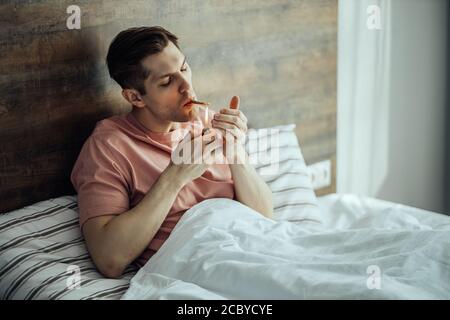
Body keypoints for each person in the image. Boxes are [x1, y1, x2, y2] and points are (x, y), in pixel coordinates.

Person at [71, 26, 273, 278]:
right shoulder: (108, 147)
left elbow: (265, 217)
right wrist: (175, 176)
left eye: (184, 68)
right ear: (135, 97)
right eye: (167, 81)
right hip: (203, 265)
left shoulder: (207, 122)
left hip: (258, 247)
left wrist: (235, 151)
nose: (187, 87)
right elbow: (110, 259)